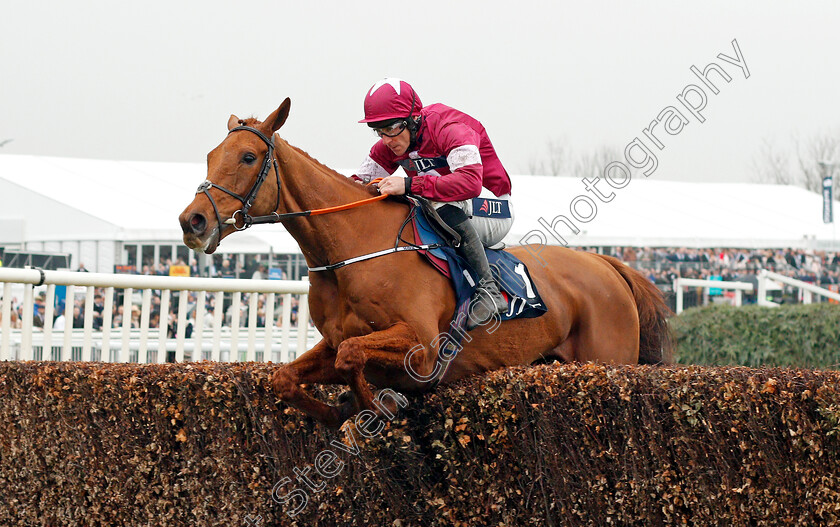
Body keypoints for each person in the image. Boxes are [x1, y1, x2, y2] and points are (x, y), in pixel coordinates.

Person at [352, 78, 513, 329]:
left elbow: (471, 184)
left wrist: (408, 185)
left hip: (492, 207)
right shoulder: (392, 141)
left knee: (427, 200)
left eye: (392, 127)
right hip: (455, 209)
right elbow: (355, 186)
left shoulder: (451, 128)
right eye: (378, 130)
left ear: (412, 120)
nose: (386, 139)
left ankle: (489, 291)